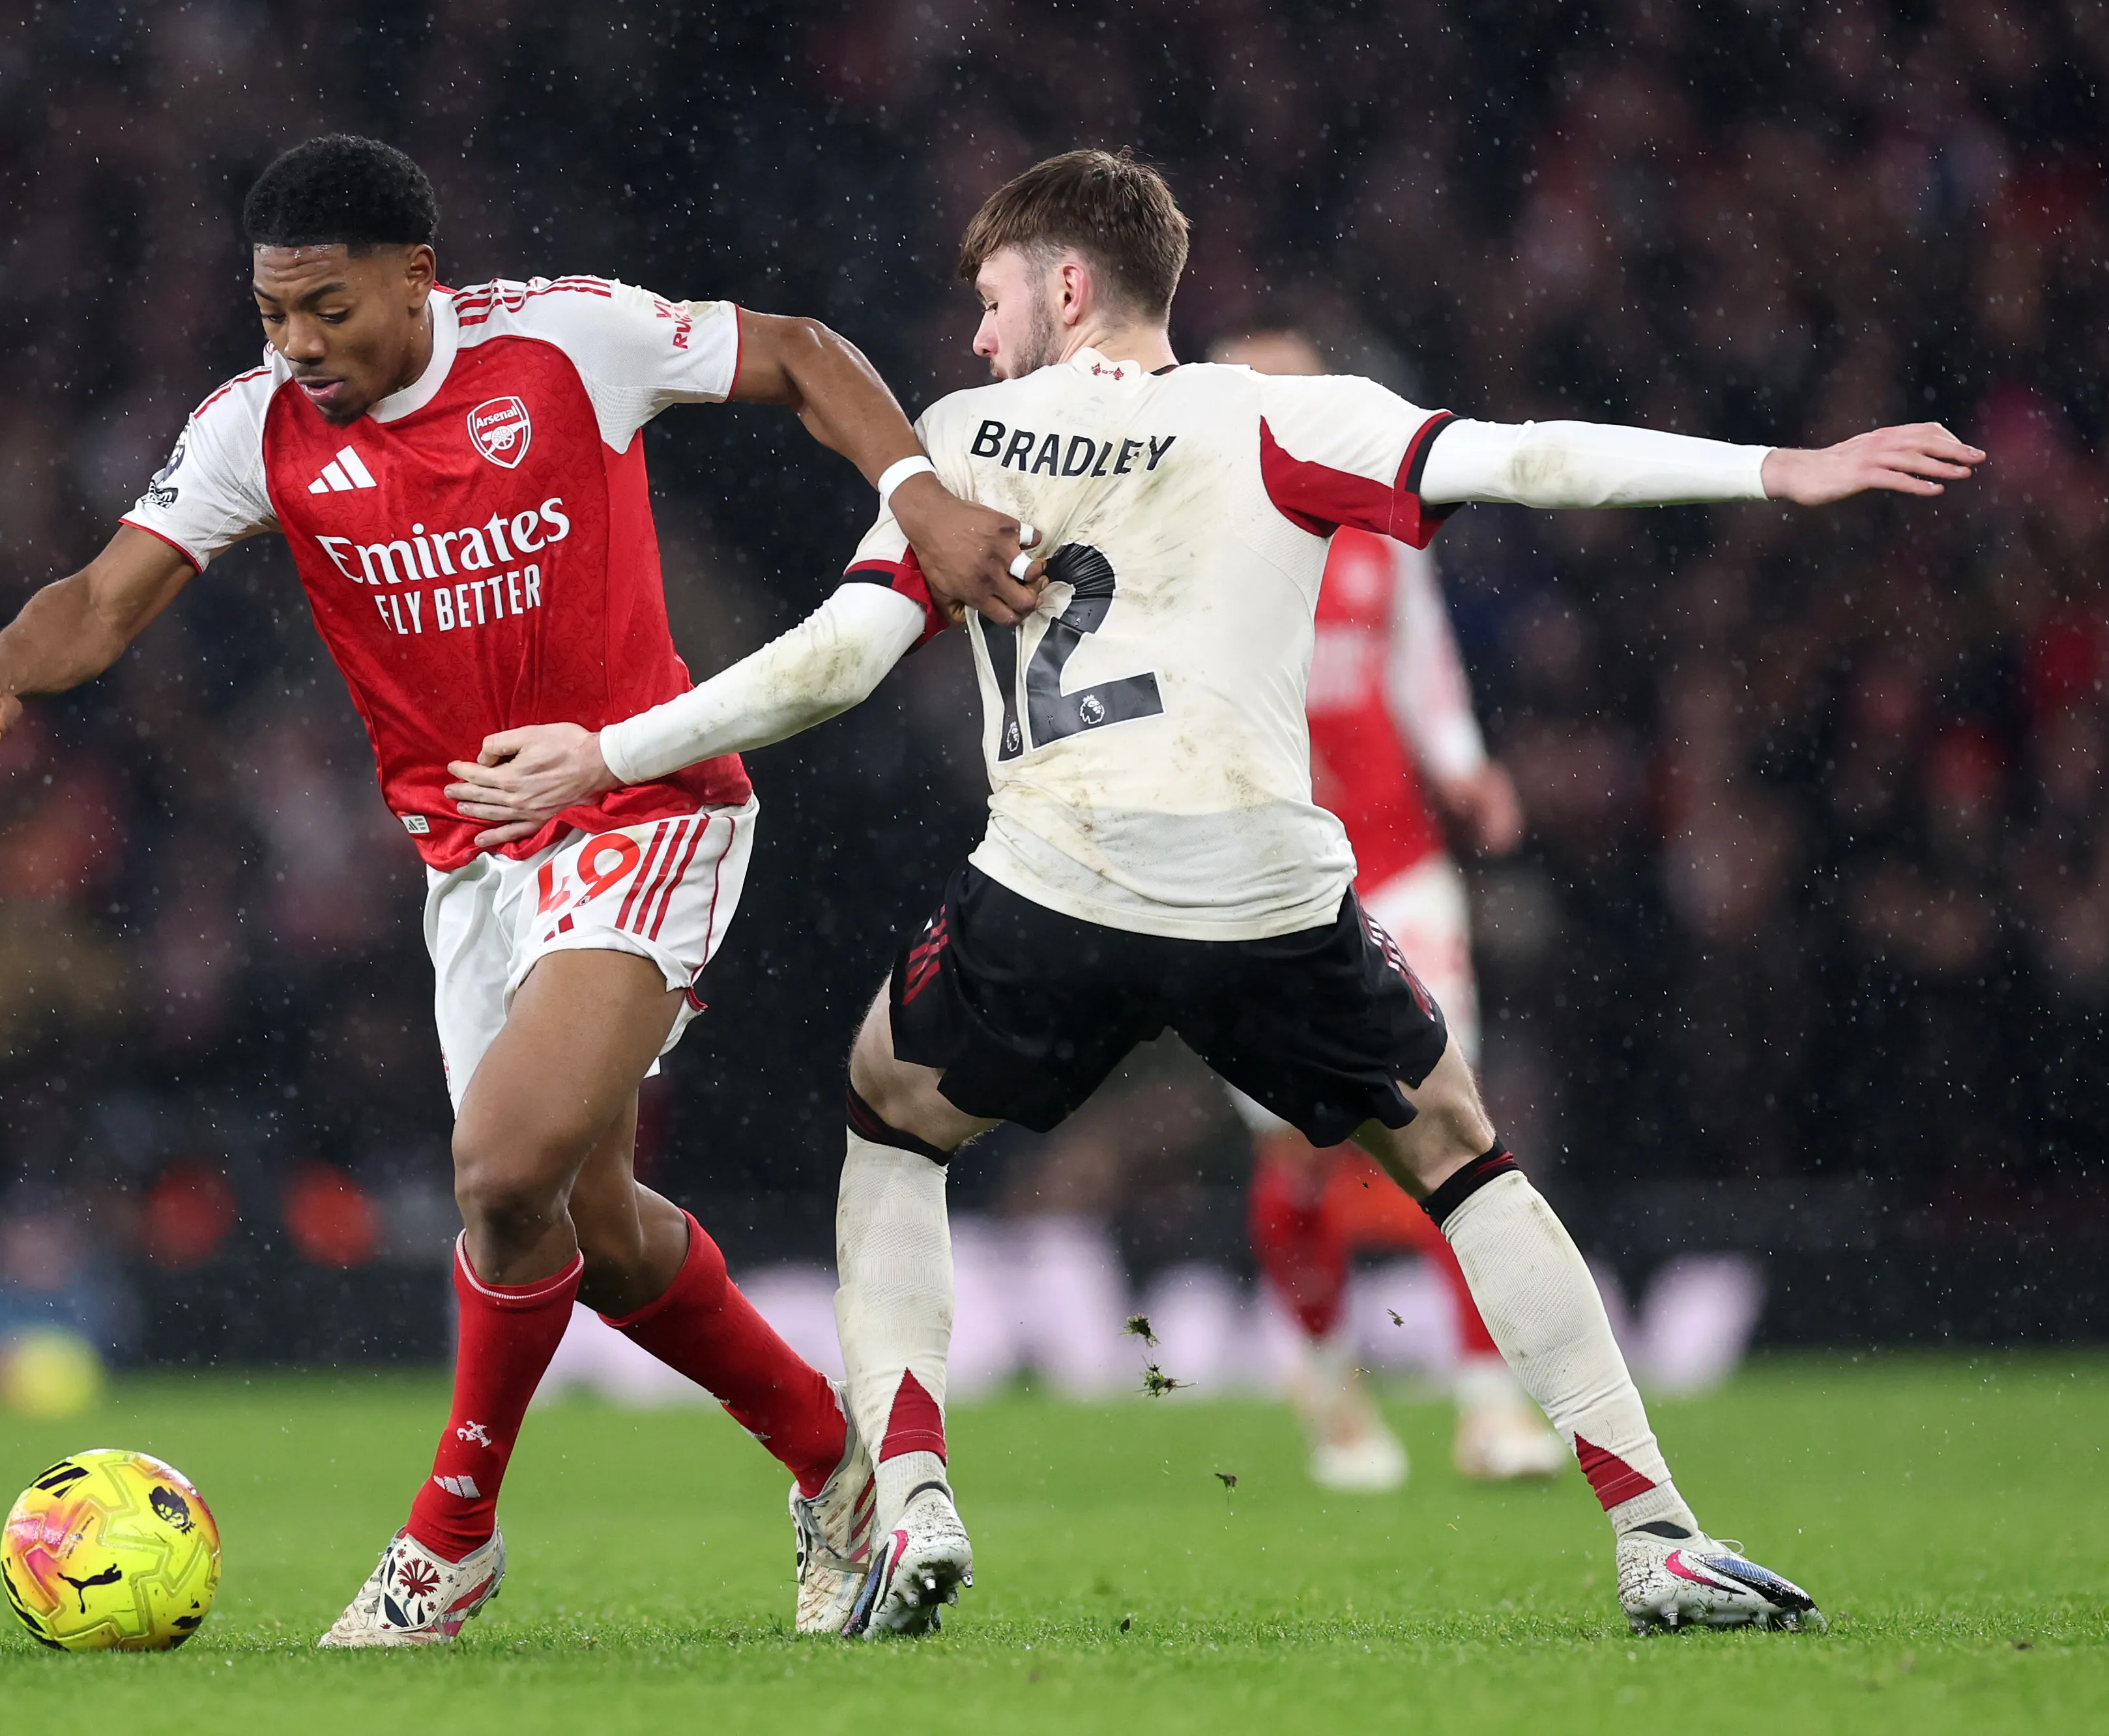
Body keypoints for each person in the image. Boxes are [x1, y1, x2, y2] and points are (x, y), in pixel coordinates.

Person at [447, 149, 1985, 1638]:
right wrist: (1775, 471)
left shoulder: (964, 436)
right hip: (1262, 893)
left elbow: (836, 663)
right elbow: (1521, 456)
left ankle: (907, 1498)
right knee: (1459, 1154)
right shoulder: (1282, 415)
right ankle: (1655, 1534)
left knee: (891, 1121)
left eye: (991, 298)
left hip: (1053, 885)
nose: (976, 336)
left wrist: (609, 751)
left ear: (1066, 286)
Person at [0, 134, 1045, 1645]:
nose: (300, 345)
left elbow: (801, 353)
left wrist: (919, 495)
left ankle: (451, 1540)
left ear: (417, 278)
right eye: (273, 314)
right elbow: (103, 597)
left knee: (498, 1172)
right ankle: (835, 1469)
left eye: (329, 308)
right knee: (592, 1225)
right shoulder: (253, 428)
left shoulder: (562, 342)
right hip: (474, 863)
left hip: (639, 802)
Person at [1209, 323, 1563, 1494]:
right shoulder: (1191, 542)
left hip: (1397, 860)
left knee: (1453, 1112)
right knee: (1299, 1150)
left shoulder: (1378, 523)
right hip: (1260, 878)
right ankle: (1328, 1386)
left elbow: (1419, 658)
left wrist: (1462, 762)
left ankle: (1487, 1405)